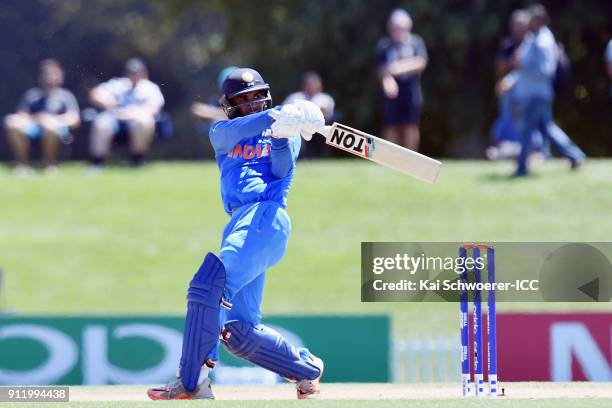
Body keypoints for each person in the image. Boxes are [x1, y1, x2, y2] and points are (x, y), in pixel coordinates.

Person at [147, 68, 326, 400]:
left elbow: (281, 170)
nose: (253, 106)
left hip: (266, 216)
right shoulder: (222, 132)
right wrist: (278, 115)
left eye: (258, 99)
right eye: (244, 102)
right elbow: (240, 129)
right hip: (241, 223)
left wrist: (281, 135)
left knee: (208, 286)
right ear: (231, 107)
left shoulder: (287, 134)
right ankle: (307, 370)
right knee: (238, 333)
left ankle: (192, 382)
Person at [513, 4, 585, 176]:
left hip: (537, 95)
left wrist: (524, 65)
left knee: (527, 130)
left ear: (539, 20)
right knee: (547, 129)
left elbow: (546, 70)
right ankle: (575, 155)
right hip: (531, 93)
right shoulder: (533, 38)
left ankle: (521, 168)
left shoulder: (544, 41)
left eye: (532, 18)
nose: (529, 21)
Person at [4, 59, 80, 176]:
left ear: (60, 76)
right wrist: (39, 119)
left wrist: (54, 121)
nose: (50, 77)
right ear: (41, 77)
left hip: (57, 130)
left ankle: (50, 166)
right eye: (47, 74)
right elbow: (21, 116)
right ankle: (22, 166)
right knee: (11, 123)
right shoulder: (32, 95)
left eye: (53, 74)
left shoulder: (66, 96)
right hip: (34, 128)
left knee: (50, 128)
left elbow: (75, 119)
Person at [88, 58, 164, 167]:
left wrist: (130, 113)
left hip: (136, 120)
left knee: (143, 121)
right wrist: (107, 102)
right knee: (101, 122)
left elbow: (154, 108)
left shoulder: (150, 88)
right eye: (131, 72)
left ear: (144, 73)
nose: (134, 75)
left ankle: (136, 160)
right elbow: (95, 94)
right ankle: (97, 162)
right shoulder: (117, 84)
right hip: (114, 119)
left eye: (137, 72)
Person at [376, 8, 427, 151]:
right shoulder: (384, 45)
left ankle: (411, 157)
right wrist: (387, 81)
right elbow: (382, 69)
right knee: (391, 125)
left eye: (401, 27)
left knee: (410, 124)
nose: (398, 30)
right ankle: (389, 158)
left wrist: (397, 68)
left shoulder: (416, 42)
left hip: (411, 90)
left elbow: (420, 62)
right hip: (392, 92)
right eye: (395, 27)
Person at [284, 71, 335, 157]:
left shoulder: (325, 98)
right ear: (303, 85)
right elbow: (284, 111)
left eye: (314, 84)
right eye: (309, 84)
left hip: (319, 131)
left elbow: (327, 114)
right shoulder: (295, 97)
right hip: (297, 128)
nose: (311, 87)